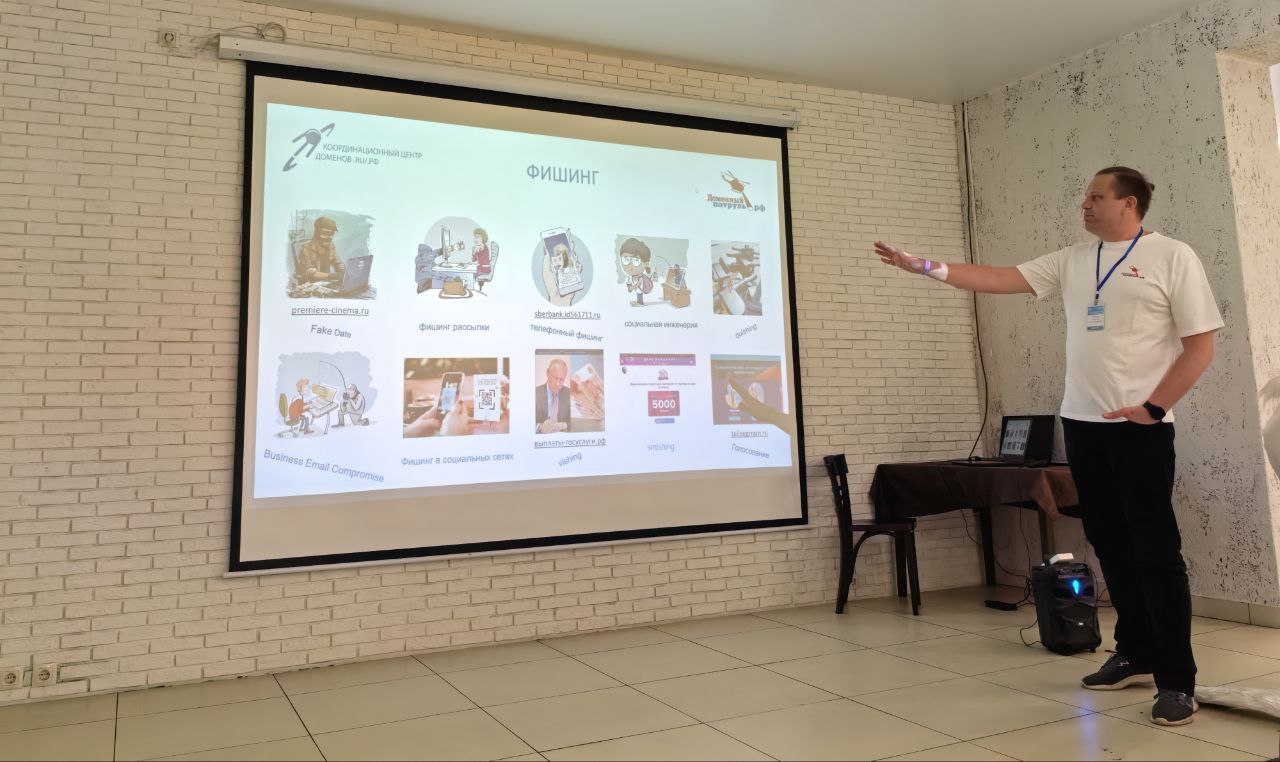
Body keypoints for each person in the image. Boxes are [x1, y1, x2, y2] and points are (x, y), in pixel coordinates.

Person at [875, 166, 1223, 727]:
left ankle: (1177, 681)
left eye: (1095, 196)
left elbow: (1200, 346)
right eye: (1085, 196)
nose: (1084, 204)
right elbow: (998, 277)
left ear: (1128, 203)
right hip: (1083, 426)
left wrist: (1155, 407)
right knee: (1109, 544)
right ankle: (1135, 652)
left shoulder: (1172, 256)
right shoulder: (1074, 259)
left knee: (1156, 553)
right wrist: (925, 267)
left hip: (1141, 430)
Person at [293, 217, 345, 288]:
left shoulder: (330, 246)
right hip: (309, 285)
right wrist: (332, 276)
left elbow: (337, 261)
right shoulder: (305, 248)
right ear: (317, 233)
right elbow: (310, 272)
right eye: (325, 234)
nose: (328, 237)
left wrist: (340, 266)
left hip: (326, 283)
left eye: (331, 234)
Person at [535, 358, 571, 434]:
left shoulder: (569, 394)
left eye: (561, 380)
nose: (558, 384)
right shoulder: (534, 393)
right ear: (547, 373)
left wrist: (564, 425)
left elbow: (576, 423)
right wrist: (540, 427)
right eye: (555, 378)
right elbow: (524, 423)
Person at [618, 237, 653, 306]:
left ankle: (640, 302)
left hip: (639, 289)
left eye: (636, 261)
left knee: (639, 294)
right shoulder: (633, 276)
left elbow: (638, 284)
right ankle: (639, 302)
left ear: (646, 264)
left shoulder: (640, 277)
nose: (630, 265)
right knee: (638, 294)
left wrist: (632, 288)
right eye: (626, 260)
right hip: (637, 289)